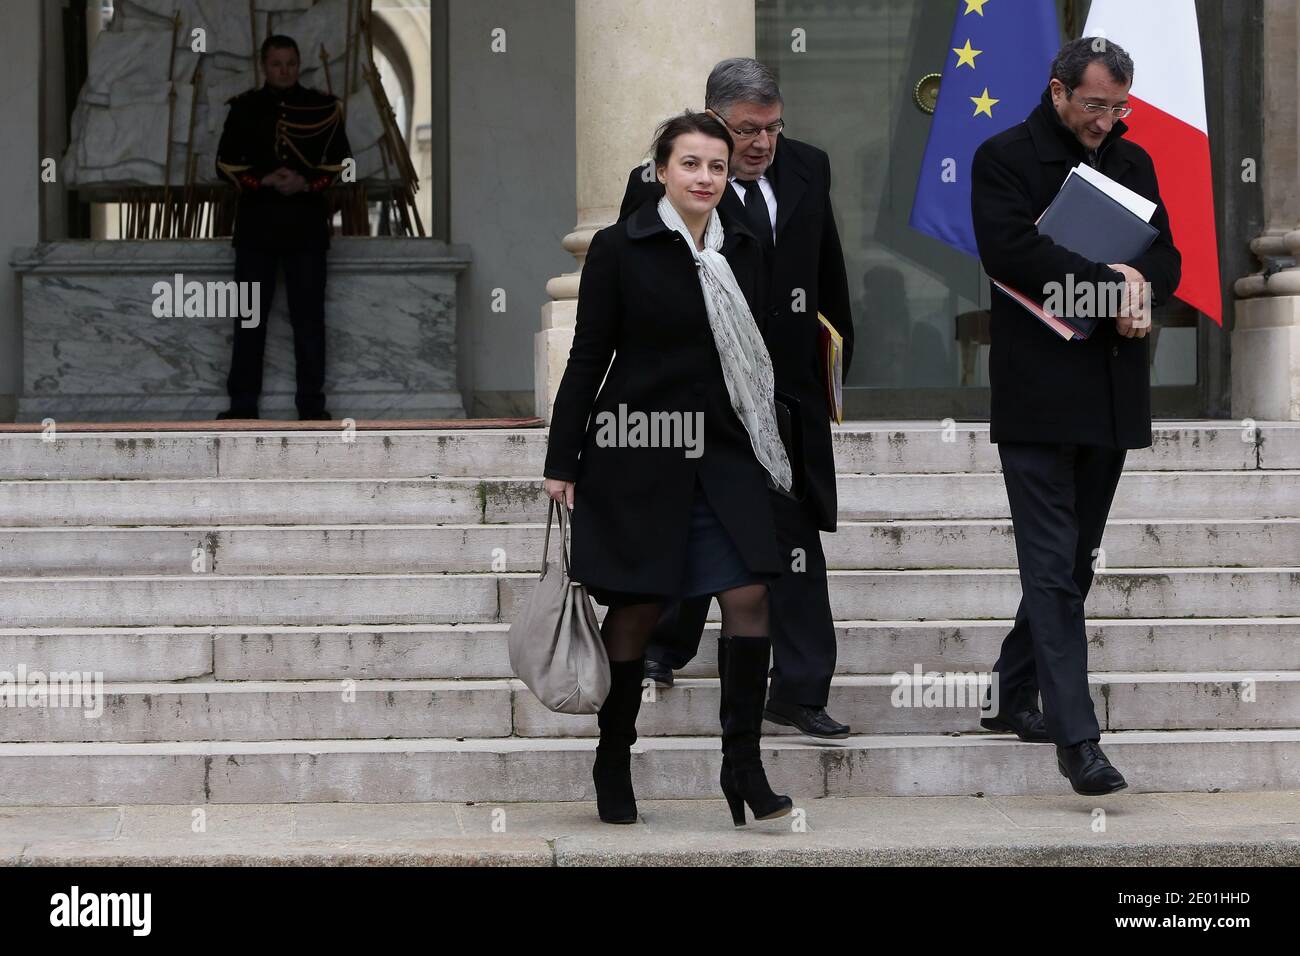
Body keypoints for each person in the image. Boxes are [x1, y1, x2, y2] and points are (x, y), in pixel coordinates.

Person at [543, 112, 794, 827]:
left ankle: (741, 765)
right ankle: (613, 754)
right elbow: (589, 354)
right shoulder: (620, 249)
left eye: (716, 167)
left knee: (748, 594)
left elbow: (762, 355)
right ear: (661, 171)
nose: (705, 178)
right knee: (639, 607)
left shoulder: (745, 245)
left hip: (723, 453)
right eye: (690, 165)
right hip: (638, 451)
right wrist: (563, 459)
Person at [618, 58, 855, 741]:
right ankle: (664, 644)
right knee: (698, 521)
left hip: (788, 395)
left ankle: (802, 688)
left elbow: (827, 268)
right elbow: (641, 285)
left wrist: (835, 367)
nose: (763, 144)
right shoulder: (668, 178)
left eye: (774, 128)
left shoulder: (809, 167)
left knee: (795, 537)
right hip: (706, 394)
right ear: (716, 120)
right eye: (749, 130)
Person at [970, 38, 1181, 795]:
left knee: (1077, 563)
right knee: (1053, 570)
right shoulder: (1002, 155)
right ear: (1059, 92)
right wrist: (1110, 289)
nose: (1108, 119)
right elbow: (1010, 254)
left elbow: (1168, 257)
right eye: (1096, 105)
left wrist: (1141, 287)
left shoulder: (1134, 161)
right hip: (1037, 397)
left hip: (1112, 393)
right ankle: (1077, 739)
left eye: (1119, 106)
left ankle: (1007, 690)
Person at [214, 34, 351, 421]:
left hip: (306, 228)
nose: (284, 70)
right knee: (249, 318)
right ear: (264, 66)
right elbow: (224, 163)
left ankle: (311, 405)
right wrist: (265, 180)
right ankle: (242, 405)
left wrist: (306, 183)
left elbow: (343, 163)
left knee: (308, 320)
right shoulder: (244, 109)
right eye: (277, 64)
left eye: (290, 63)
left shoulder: (321, 106)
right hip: (257, 228)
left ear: (298, 63)